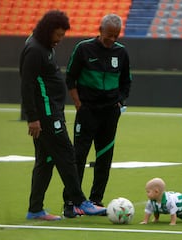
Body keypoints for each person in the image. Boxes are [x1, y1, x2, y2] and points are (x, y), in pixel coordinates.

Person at [20, 10, 106, 220]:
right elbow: (27, 85)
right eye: (57, 35)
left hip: (51, 111)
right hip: (47, 115)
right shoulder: (34, 50)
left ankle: (35, 209)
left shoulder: (44, 45)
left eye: (62, 35)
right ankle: (80, 202)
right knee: (67, 154)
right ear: (47, 31)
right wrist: (32, 118)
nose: (60, 39)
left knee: (46, 160)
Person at [65, 14, 132, 207]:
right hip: (87, 112)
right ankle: (71, 202)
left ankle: (96, 200)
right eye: (108, 35)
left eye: (116, 36)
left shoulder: (122, 52)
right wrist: (78, 104)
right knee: (78, 156)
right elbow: (70, 78)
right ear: (100, 30)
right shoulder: (83, 48)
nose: (111, 40)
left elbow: (126, 81)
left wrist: (120, 101)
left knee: (104, 157)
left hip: (110, 114)